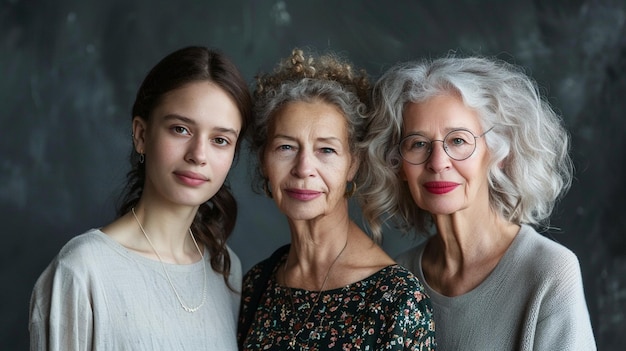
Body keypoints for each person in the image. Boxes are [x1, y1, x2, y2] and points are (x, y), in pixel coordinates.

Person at [362, 55, 596, 350]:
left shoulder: (549, 271)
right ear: (398, 166)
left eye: (458, 140)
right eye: (418, 144)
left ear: (500, 154)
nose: (437, 162)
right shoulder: (395, 279)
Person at [29, 46, 252, 350]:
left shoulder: (226, 268)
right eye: (181, 129)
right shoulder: (83, 270)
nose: (199, 155)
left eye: (220, 140)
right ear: (141, 135)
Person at [237, 48, 436, 351]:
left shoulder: (395, 300)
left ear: (353, 163)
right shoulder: (257, 285)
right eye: (286, 147)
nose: (304, 168)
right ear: (264, 160)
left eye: (326, 150)